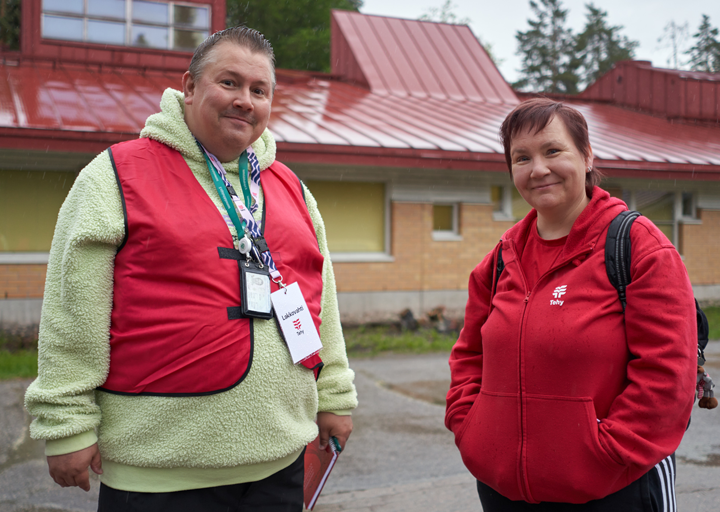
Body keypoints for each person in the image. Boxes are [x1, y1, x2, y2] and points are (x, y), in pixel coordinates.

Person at [25, 27, 357, 511]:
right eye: (229, 83)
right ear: (190, 86)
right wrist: (66, 424)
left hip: (278, 463)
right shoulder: (115, 174)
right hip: (158, 472)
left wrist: (335, 395)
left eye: (259, 90)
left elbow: (319, 299)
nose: (245, 100)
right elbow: (73, 310)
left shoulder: (292, 189)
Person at [445, 98, 696, 510]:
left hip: (614, 488)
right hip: (504, 491)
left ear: (586, 155)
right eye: (521, 157)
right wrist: (473, 432)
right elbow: (469, 356)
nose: (538, 169)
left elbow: (668, 375)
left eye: (552, 150)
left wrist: (608, 455)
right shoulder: (502, 258)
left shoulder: (638, 248)